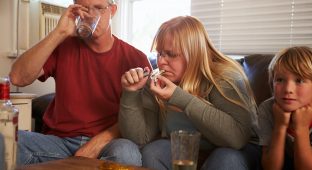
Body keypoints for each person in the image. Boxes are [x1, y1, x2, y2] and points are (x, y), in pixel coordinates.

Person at [9, 0, 151, 166]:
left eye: (98, 8)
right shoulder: (62, 46)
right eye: (84, 9)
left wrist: (98, 142)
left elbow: (144, 116)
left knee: (126, 153)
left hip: (109, 143)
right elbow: (18, 77)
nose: (91, 15)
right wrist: (59, 33)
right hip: (58, 143)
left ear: (112, 10)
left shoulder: (135, 58)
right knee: (6, 139)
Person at [119, 16, 261, 170]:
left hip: (237, 151)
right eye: (160, 53)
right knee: (153, 152)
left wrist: (180, 98)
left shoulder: (224, 78)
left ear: (195, 54)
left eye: (171, 54)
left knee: (225, 158)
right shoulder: (158, 82)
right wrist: (131, 93)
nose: (161, 62)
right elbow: (140, 139)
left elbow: (237, 139)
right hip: (189, 149)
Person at [258, 46, 312, 170]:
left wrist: (302, 128)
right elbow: (271, 168)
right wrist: (280, 126)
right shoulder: (267, 108)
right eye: (280, 80)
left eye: (299, 80)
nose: (288, 89)